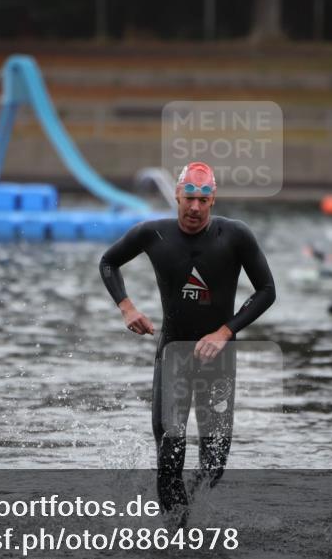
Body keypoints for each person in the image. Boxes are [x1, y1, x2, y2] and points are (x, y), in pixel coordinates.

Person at [99, 161, 276, 513]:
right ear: (177, 196)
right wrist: (127, 307)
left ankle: (186, 518)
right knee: (171, 448)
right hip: (174, 354)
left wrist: (225, 332)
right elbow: (108, 262)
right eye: (189, 198)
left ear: (213, 201)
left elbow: (267, 290)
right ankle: (174, 540)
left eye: (203, 200)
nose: (195, 207)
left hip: (219, 358)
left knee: (213, 463)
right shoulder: (153, 234)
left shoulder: (235, 235)